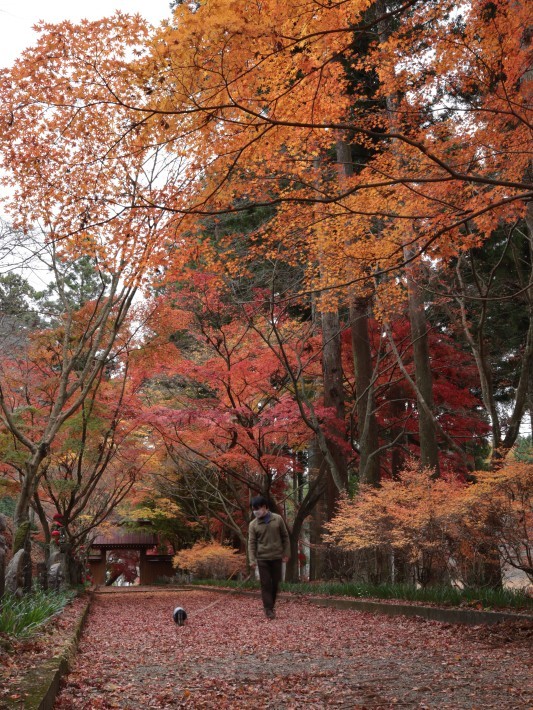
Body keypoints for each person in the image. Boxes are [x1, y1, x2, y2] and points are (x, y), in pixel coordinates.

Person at [248, 495, 290, 619]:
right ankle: (268, 609)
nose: (256, 511)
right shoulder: (253, 524)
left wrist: (286, 553)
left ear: (265, 507)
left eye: (258, 508)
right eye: (253, 509)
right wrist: (252, 560)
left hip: (277, 557)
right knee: (266, 584)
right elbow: (251, 543)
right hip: (262, 558)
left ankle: (270, 606)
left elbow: (285, 537)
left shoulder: (277, 519)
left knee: (275, 584)